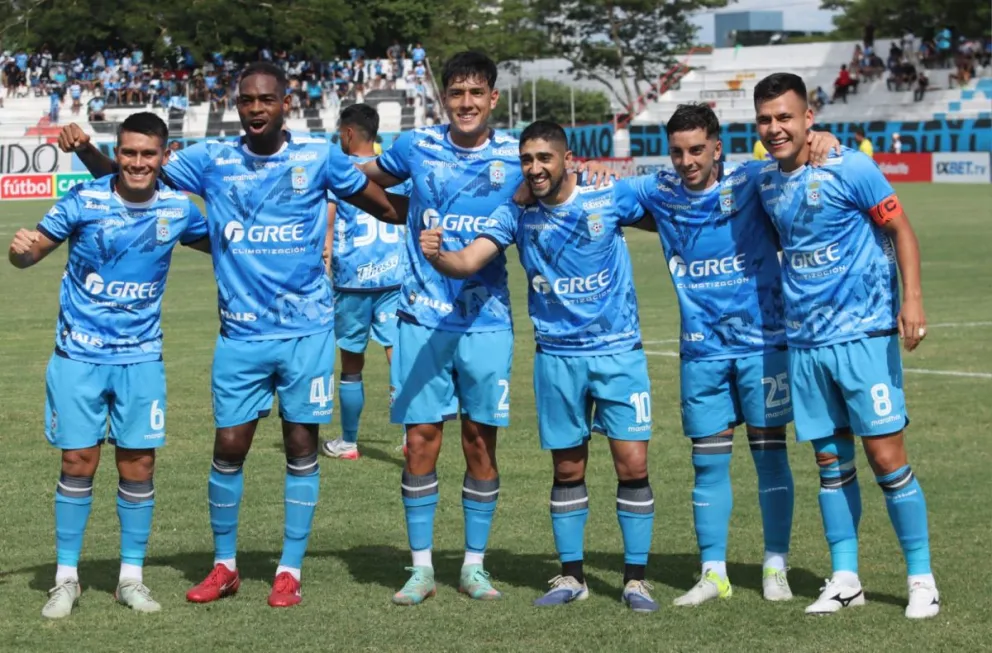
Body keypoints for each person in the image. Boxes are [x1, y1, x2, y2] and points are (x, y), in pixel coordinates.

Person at [59, 61, 402, 608]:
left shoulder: (317, 157)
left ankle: (289, 570)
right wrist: (85, 151)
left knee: (301, 443)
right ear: (236, 106)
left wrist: (450, 212)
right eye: (247, 100)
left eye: (266, 99)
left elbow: (384, 205)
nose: (256, 108)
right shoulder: (209, 160)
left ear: (285, 103)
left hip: (306, 331)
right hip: (240, 335)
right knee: (229, 447)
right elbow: (131, 181)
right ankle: (225, 566)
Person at [358, 51, 613, 605]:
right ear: (443, 98)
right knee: (421, 442)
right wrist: (395, 213)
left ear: (493, 98)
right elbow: (366, 178)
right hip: (420, 317)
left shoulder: (517, 156)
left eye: (476, 93)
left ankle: (474, 565)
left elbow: (565, 187)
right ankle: (421, 568)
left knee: (479, 441)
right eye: (456, 93)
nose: (466, 103)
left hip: (487, 321)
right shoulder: (416, 147)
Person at [421, 120, 660, 612]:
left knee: (632, 462)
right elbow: (468, 262)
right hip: (557, 356)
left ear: (566, 158)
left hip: (619, 351)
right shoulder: (515, 214)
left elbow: (676, 199)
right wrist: (439, 256)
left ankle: (636, 580)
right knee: (568, 466)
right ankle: (571, 576)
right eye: (526, 160)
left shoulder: (607, 196)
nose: (534, 168)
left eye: (543, 158)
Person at [8, 112, 210, 619]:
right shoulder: (85, 199)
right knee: (77, 463)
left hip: (141, 359)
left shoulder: (179, 208)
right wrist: (22, 253)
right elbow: (34, 253)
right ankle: (66, 579)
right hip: (79, 356)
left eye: (148, 154)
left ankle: (130, 579)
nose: (137, 163)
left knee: (138, 465)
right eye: (128, 153)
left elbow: (228, 245)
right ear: (115, 153)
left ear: (166, 157)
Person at [753, 72, 938, 619]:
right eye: (765, 120)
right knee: (830, 464)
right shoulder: (764, 181)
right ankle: (845, 578)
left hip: (864, 337)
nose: (775, 127)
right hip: (806, 345)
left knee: (886, 458)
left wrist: (913, 300)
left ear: (810, 117)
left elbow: (901, 229)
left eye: (785, 116)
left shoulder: (851, 166)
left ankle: (922, 578)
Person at [321, 104, 411, 460]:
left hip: (352, 282)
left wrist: (324, 261)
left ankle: (349, 442)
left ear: (347, 133)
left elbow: (328, 227)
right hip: (393, 277)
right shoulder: (395, 173)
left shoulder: (339, 171)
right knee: (399, 360)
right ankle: (410, 437)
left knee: (352, 365)